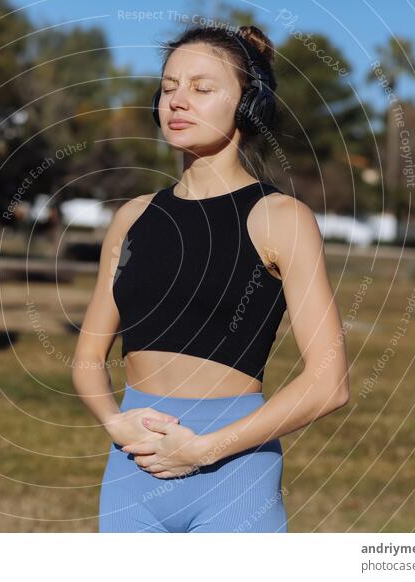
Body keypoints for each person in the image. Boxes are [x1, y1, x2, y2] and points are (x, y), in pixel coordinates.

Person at [72, 24, 350, 533]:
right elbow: (88, 358)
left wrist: (201, 451)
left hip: (233, 477)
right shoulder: (132, 218)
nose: (178, 101)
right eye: (170, 86)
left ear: (248, 106)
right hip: (132, 474)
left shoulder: (280, 218)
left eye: (202, 88)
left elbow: (327, 385)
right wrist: (115, 422)